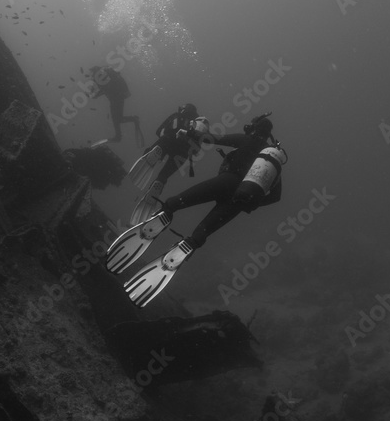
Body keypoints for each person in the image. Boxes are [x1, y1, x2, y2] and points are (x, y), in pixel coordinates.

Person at [108, 113, 287, 307]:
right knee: (201, 233)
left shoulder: (247, 139)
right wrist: (250, 203)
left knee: (176, 203)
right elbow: (276, 197)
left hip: (225, 182)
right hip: (238, 201)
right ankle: (186, 247)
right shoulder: (271, 158)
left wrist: (191, 133)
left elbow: (212, 138)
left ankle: (164, 215)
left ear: (254, 128)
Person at [127, 104, 207, 223]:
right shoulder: (197, 125)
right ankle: (159, 183)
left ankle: (156, 154)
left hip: (168, 141)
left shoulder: (177, 115)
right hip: (182, 154)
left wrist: (166, 138)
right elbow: (196, 151)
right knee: (164, 176)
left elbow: (159, 131)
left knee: (160, 145)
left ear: (183, 109)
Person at [89, 66, 144, 146]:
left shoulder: (100, 78)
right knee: (119, 119)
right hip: (119, 97)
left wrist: (92, 94)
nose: (91, 77)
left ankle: (118, 136)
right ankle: (133, 120)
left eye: (91, 74)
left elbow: (101, 91)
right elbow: (106, 88)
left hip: (115, 99)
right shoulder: (105, 75)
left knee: (116, 118)